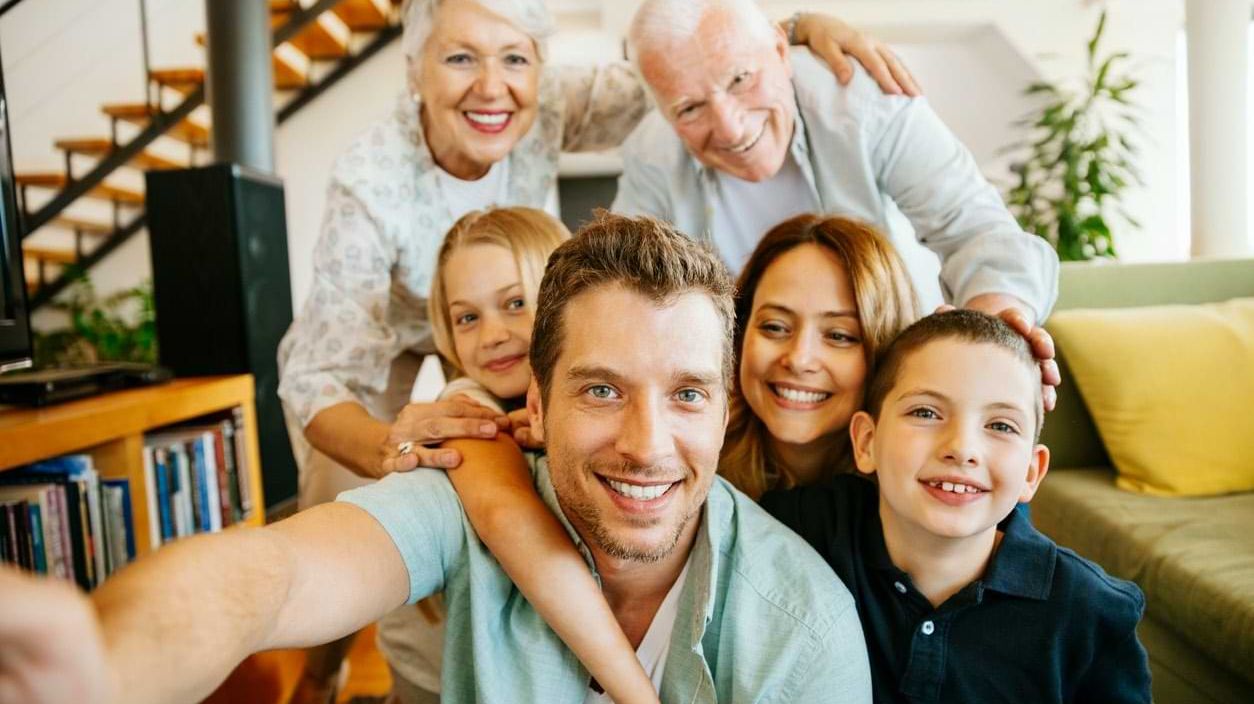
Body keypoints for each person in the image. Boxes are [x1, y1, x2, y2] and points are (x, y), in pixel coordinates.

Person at [275, 0, 904, 698]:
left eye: (514, 57)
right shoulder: (371, 181)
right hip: (394, 336)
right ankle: (323, 671)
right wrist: (396, 446)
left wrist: (795, 30)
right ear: (413, 71)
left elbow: (686, 64)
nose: (491, 86)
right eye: (459, 58)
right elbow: (318, 377)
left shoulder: (548, 102)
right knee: (352, 487)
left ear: (539, 67)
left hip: (525, 319)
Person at [0, 214, 872, 704]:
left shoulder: (806, 635)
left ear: (725, 410)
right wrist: (105, 667)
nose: (646, 444)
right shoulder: (467, 488)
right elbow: (269, 575)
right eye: (601, 390)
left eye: (685, 394)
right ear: (534, 402)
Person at [613, 0, 1062, 401]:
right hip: (756, 400)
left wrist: (996, 328)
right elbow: (624, 284)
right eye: (690, 109)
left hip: (893, 370)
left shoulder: (864, 101)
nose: (730, 128)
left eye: (740, 79)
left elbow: (975, 230)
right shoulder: (652, 151)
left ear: (781, 51)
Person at [760, 310, 1153, 702]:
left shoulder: (1090, 612)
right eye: (926, 413)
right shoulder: (806, 527)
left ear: (1031, 472)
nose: (962, 449)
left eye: (1001, 425)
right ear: (866, 442)